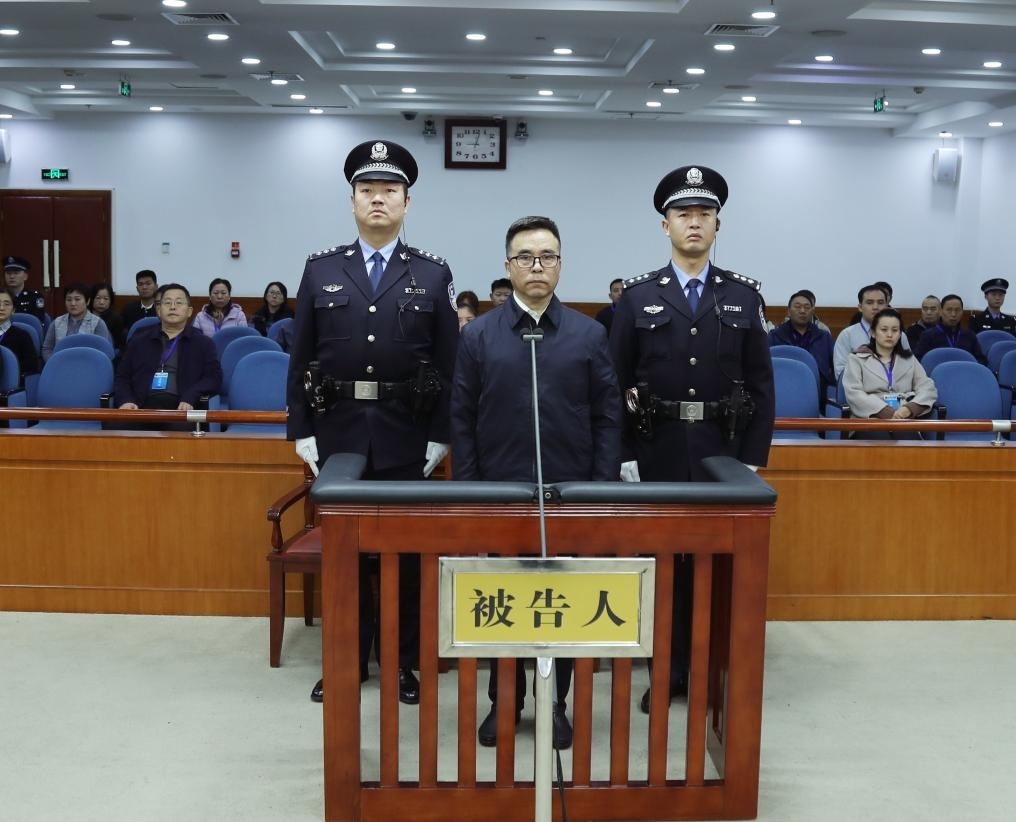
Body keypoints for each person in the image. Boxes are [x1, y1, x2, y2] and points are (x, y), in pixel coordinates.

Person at [286, 139, 458, 706]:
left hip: (406, 431)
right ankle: (346, 662)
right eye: (367, 190)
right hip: (337, 430)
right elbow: (301, 354)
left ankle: (401, 663)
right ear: (352, 200)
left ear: (407, 202)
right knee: (345, 555)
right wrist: (301, 429)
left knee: (403, 556)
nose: (377, 199)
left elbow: (449, 364)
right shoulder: (321, 268)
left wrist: (440, 434)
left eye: (389, 190)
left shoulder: (431, 272)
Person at [452, 215, 621, 750]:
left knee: (558, 604)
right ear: (508, 266)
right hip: (500, 496)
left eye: (547, 256)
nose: (537, 266)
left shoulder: (589, 335)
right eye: (525, 257)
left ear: (561, 265)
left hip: (570, 494)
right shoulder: (478, 336)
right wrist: (473, 493)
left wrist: (597, 490)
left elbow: (608, 417)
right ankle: (504, 702)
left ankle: (555, 704)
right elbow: (462, 418)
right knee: (502, 602)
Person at [609, 164, 774, 714]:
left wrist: (751, 459)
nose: (694, 222)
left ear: (717, 225)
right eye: (684, 214)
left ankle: (706, 671)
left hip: (720, 453)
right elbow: (615, 381)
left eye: (704, 214)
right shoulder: (637, 297)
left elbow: (761, 384)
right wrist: (623, 454)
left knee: (713, 567)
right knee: (661, 566)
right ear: (666, 225)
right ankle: (666, 670)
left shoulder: (744, 296)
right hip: (654, 449)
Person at [114, 283, 222, 418]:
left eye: (179, 302)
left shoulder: (203, 343)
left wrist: (191, 396)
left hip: (181, 407)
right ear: (159, 310)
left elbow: (213, 378)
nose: (173, 307)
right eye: (167, 302)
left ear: (189, 311)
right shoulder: (139, 340)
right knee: (114, 427)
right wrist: (126, 400)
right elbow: (122, 376)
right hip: (140, 406)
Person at [843, 308, 936, 439]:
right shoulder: (857, 359)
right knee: (880, 438)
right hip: (868, 418)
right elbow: (854, 393)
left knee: (908, 439)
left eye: (895, 330)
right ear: (873, 333)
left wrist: (909, 409)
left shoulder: (909, 359)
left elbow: (928, 388)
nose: (889, 334)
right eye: (884, 329)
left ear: (900, 334)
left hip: (903, 417)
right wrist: (885, 412)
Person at [833, 284, 910, 379]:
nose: (875, 307)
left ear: (887, 306)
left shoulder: (899, 335)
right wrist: (855, 360)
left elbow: (910, 367)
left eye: (880, 303)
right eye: (869, 303)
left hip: (895, 385)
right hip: (859, 386)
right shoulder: (847, 335)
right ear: (860, 307)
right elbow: (840, 372)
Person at [768, 290, 835, 389]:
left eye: (807, 307)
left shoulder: (824, 337)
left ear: (812, 311)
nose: (802, 311)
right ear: (789, 311)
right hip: (782, 386)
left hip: (817, 389)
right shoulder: (775, 336)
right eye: (797, 307)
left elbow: (833, 368)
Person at [41, 282, 113, 362]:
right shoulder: (57, 322)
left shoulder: (98, 324)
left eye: (77, 299)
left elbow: (103, 352)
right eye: (69, 300)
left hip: (89, 366)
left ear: (87, 301)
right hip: (60, 365)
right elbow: (47, 348)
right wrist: (55, 362)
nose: (73, 303)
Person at [915, 294, 986, 363]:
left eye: (957, 310)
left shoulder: (969, 335)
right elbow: (918, 360)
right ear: (941, 312)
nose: (953, 314)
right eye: (949, 310)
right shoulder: (928, 335)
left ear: (962, 312)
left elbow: (981, 360)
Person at [0, 289, 40, 380]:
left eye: (6, 304)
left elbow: (31, 366)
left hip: (11, 382)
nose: (1, 308)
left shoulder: (22, 336)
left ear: (13, 310)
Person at [3, 256, 46, 323]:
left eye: (16, 273)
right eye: (8, 273)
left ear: (25, 276)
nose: (11, 276)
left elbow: (37, 323)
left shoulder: (34, 297)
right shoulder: (2, 296)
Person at [89, 282, 125, 350]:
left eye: (106, 299)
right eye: (98, 298)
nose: (101, 302)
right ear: (91, 299)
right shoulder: (84, 315)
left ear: (111, 301)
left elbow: (117, 344)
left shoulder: (116, 319)